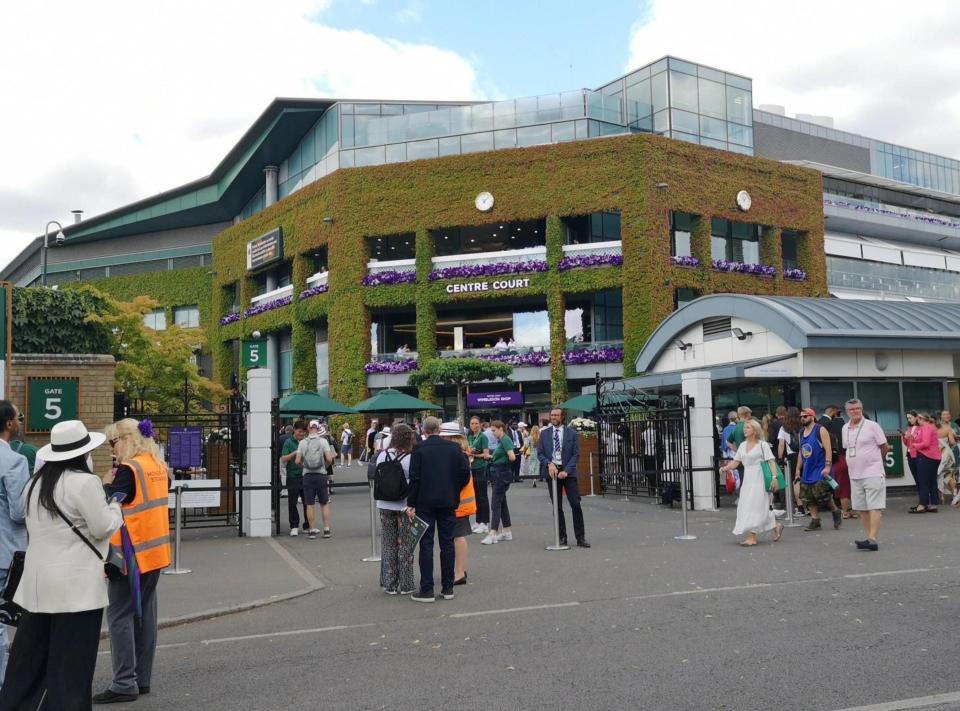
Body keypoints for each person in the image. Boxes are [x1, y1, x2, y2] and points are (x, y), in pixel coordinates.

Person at [0, 420, 123, 709]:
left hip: (37, 587)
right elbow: (103, 526)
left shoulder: (36, 483)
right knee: (71, 668)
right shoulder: (85, 482)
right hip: (76, 590)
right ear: (83, 453)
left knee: (29, 664)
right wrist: (115, 507)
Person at [94, 418, 171, 704]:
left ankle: (124, 682)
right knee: (145, 616)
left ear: (127, 439)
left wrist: (104, 485)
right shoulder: (158, 466)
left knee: (119, 618)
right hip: (156, 553)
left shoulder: (128, 470)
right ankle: (142, 678)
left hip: (128, 556)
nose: (111, 449)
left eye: (112, 442)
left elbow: (108, 510)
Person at [406, 417, 470, 603]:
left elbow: (414, 477)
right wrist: (454, 488)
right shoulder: (453, 448)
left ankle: (426, 589)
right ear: (439, 429)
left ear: (424, 430)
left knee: (426, 544)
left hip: (425, 502)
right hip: (448, 500)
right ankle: (448, 587)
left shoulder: (419, 449)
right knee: (447, 543)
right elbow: (465, 472)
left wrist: (412, 502)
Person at [0, 401, 30, 684]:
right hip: (5, 550)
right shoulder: (14, 461)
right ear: (9, 424)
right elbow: (19, 512)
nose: (20, 421)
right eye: (18, 417)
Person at [721, 419, 783, 546]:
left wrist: (774, 478)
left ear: (755, 431)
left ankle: (752, 537)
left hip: (759, 478)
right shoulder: (742, 445)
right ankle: (776, 525)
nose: (745, 429)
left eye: (748, 427)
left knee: (754, 506)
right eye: (745, 427)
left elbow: (771, 461)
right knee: (747, 505)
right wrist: (726, 468)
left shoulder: (762, 445)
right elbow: (736, 461)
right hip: (748, 479)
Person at [537, 408, 590, 548]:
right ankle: (562, 537)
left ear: (562, 417)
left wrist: (566, 471)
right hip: (552, 472)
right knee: (557, 506)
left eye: (556, 415)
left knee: (575, 504)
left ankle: (580, 537)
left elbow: (576, 454)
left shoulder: (571, 433)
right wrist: (549, 464)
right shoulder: (544, 434)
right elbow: (540, 453)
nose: (554, 417)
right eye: (552, 415)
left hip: (568, 472)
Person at [842, 399, 889, 551]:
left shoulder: (872, 426)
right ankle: (870, 538)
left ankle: (873, 538)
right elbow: (847, 449)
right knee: (862, 508)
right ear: (847, 411)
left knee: (875, 506)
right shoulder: (845, 428)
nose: (855, 411)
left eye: (857, 408)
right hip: (854, 475)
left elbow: (884, 446)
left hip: (873, 472)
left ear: (862, 409)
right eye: (851, 409)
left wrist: (874, 461)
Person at [374, 423, 416, 595]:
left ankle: (389, 584)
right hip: (404, 505)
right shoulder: (410, 458)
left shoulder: (382, 456)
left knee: (388, 544)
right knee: (406, 544)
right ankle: (406, 584)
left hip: (383, 504)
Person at [439, 422, 475, 586]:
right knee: (456, 538)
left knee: (457, 538)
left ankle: (459, 573)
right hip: (459, 503)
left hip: (458, 503)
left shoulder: (458, 454)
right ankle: (458, 571)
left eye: (444, 436)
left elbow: (460, 479)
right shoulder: (460, 453)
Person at [795, 407, 841, 532]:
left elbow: (828, 449)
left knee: (823, 495)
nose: (802, 418)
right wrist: (798, 469)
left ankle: (835, 511)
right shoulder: (801, 432)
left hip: (820, 468)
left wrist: (827, 466)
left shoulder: (820, 430)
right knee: (808, 497)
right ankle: (815, 520)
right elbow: (801, 452)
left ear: (812, 416)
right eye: (801, 417)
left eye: (805, 416)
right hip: (807, 469)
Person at [295, 420, 335, 539]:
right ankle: (326, 529)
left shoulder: (302, 442)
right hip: (321, 475)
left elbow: (297, 461)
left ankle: (312, 530)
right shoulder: (323, 442)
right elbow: (329, 459)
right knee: (324, 503)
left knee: (309, 504)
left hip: (307, 476)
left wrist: (304, 467)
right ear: (318, 428)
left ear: (308, 428)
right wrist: (324, 467)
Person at [481, 420, 517, 545]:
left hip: (500, 474)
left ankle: (493, 533)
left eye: (494, 430)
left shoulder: (505, 440)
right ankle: (507, 531)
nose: (492, 433)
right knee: (501, 503)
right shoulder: (503, 440)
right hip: (500, 474)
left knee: (496, 503)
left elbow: (512, 456)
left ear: (501, 428)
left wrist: (501, 459)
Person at [819, 405, 852, 519]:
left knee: (832, 484)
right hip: (838, 457)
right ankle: (845, 511)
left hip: (827, 459)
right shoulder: (836, 424)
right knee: (842, 484)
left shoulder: (820, 423)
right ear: (832, 411)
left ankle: (837, 508)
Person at [908, 412, 941, 513]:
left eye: (918, 418)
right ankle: (933, 504)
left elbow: (925, 443)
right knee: (931, 481)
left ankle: (922, 505)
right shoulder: (929, 427)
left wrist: (914, 445)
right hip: (934, 457)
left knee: (923, 482)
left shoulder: (926, 427)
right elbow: (922, 440)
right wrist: (911, 438)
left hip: (927, 456)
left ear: (922, 419)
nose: (916, 420)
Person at [280, 420, 308, 536]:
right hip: (292, 476)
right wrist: (295, 453)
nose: (302, 434)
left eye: (303, 432)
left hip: (306, 475)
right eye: (300, 432)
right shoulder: (288, 442)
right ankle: (294, 526)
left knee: (308, 502)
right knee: (292, 502)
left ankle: (308, 525)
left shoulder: (307, 442)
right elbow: (283, 459)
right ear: (294, 431)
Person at [467, 416, 491, 534]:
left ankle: (485, 522)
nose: (474, 425)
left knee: (482, 496)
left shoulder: (483, 437)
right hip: (472, 469)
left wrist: (474, 455)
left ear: (480, 424)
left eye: (476, 423)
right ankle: (478, 520)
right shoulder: (469, 436)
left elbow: (486, 454)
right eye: (472, 423)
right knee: (475, 495)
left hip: (481, 468)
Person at [777, 406, 802, 514]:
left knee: (795, 481)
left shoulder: (784, 427)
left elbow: (781, 445)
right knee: (804, 480)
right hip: (805, 454)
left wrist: (780, 458)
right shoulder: (803, 425)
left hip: (792, 456)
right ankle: (810, 505)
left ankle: (800, 506)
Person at [902, 410, 920, 498]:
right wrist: (904, 437)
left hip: (918, 454)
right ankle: (922, 496)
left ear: (916, 417)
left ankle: (924, 497)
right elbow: (907, 443)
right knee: (915, 476)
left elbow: (920, 441)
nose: (909, 420)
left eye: (910, 418)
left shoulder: (920, 427)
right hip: (910, 454)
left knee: (921, 476)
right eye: (908, 418)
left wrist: (911, 437)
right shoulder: (909, 428)